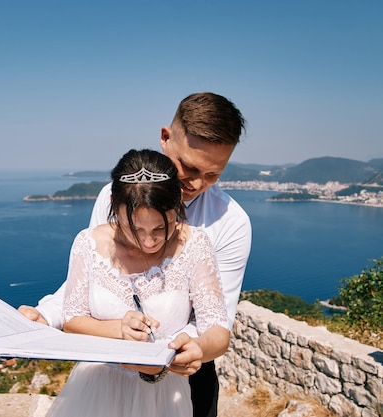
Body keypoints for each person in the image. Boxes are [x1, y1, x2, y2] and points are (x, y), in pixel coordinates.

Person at [20, 92, 251, 417]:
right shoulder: (116, 196)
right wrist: (44, 315)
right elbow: (94, 277)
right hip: (105, 376)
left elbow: (215, 321)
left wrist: (183, 347)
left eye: (213, 174)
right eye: (188, 166)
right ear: (165, 138)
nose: (198, 183)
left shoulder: (232, 223)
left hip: (186, 375)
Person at [45, 148, 230, 417]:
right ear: (113, 205)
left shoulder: (196, 245)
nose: (148, 241)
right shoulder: (87, 244)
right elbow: (72, 320)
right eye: (135, 228)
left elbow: (218, 330)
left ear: (177, 204)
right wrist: (118, 329)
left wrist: (198, 348)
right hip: (96, 390)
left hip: (165, 398)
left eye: (160, 228)